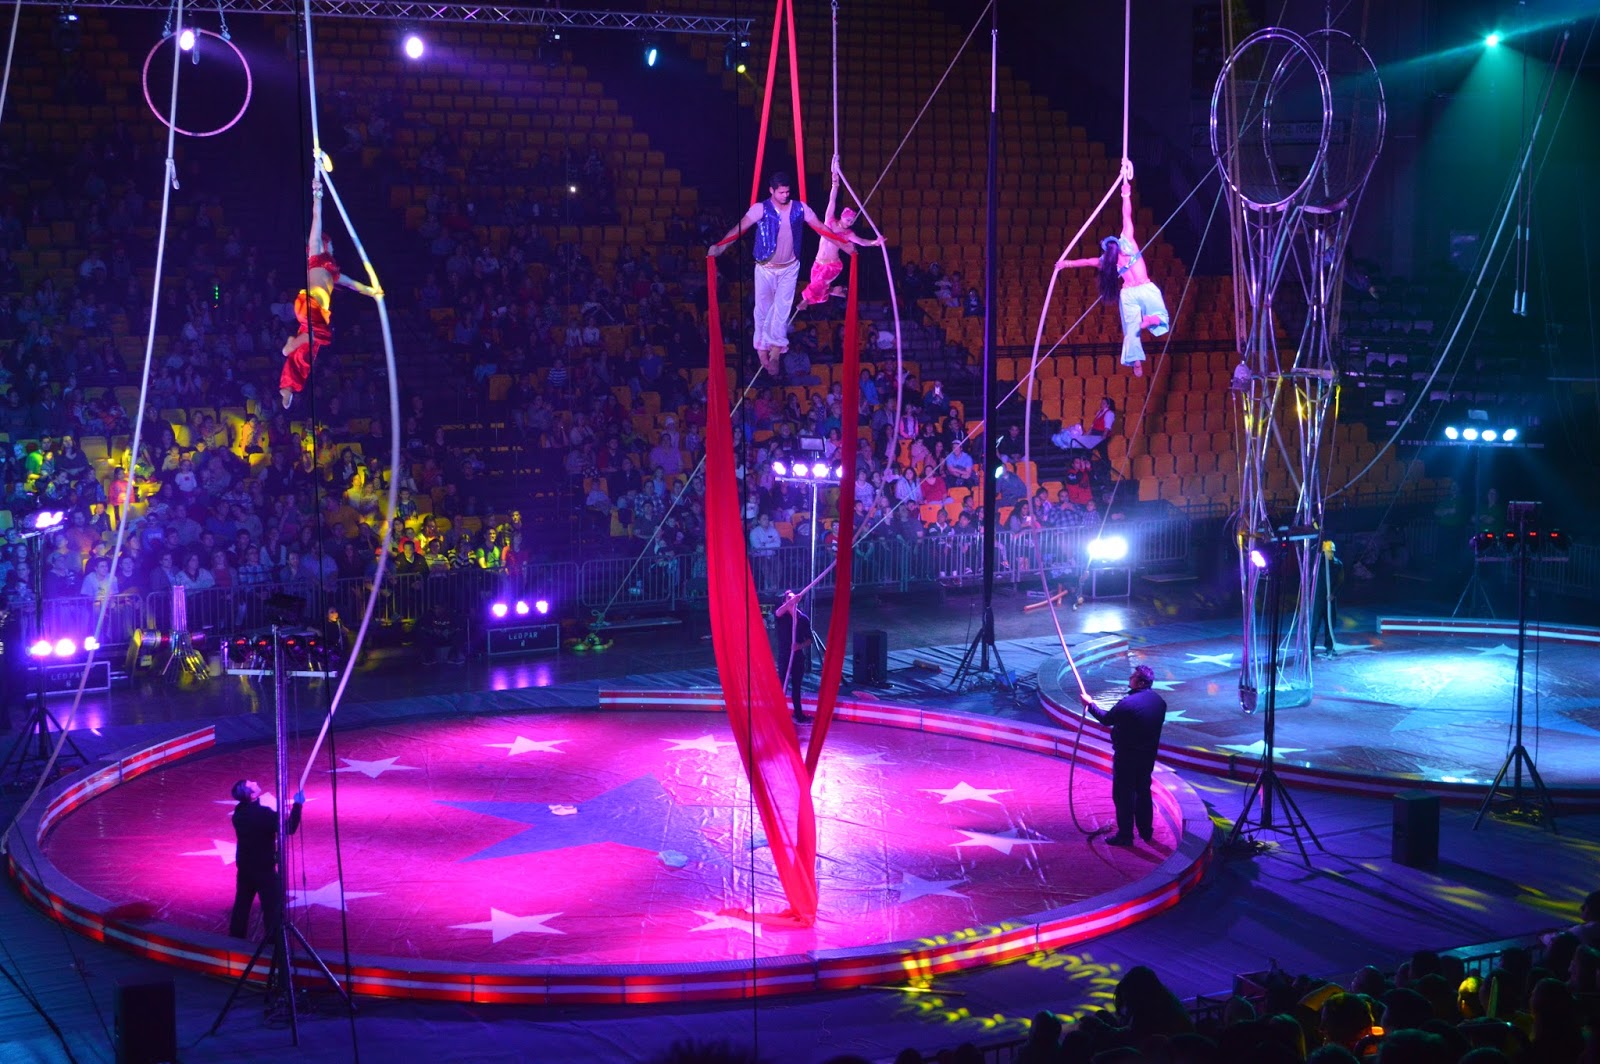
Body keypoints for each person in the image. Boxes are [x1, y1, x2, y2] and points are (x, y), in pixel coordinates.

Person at [279, 170, 381, 409]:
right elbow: (317, 218)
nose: (332, 244)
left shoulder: (334, 274)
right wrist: (317, 194)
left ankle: (287, 386)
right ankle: (292, 344)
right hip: (308, 306)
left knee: (310, 352)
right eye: (330, 242)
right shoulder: (315, 253)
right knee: (321, 336)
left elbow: (355, 286)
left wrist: (374, 293)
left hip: (314, 316)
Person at [1057, 159, 1169, 376]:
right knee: (1161, 317)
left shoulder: (1108, 262)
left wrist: (1066, 264)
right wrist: (1125, 194)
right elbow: (1127, 215)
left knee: (1131, 330)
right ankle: (1151, 320)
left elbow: (1088, 261)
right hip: (1144, 287)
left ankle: (1136, 361)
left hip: (1128, 293)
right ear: (1116, 243)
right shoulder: (1127, 242)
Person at [708, 171, 818, 375]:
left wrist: (843, 244)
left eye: (787, 192)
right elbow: (739, 228)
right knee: (763, 310)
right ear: (771, 191)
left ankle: (775, 354)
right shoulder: (760, 209)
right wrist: (721, 246)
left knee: (781, 311)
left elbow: (821, 228)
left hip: (790, 268)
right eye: (782, 192)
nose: (786, 195)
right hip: (765, 268)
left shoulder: (800, 208)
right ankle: (762, 352)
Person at [1080, 664, 1167, 845]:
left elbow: (1106, 719)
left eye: (1133, 677)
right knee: (1143, 792)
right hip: (1147, 756)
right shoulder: (1159, 702)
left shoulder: (1128, 703)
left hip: (1127, 756)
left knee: (1124, 795)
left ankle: (1125, 835)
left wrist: (1090, 704)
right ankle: (1146, 831)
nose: (1130, 679)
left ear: (1141, 682)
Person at [798, 159, 884, 308]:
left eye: (852, 221)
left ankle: (804, 301)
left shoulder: (848, 233)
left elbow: (861, 241)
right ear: (842, 216)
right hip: (818, 263)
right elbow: (832, 200)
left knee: (818, 284)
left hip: (833, 265)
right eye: (848, 219)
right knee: (819, 287)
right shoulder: (829, 221)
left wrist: (874, 242)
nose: (849, 222)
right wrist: (835, 183)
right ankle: (833, 291)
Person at [229, 779, 304, 941]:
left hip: (245, 867)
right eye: (251, 784)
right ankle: (273, 942)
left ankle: (234, 939)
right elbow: (290, 827)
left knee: (242, 904)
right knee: (272, 906)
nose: (255, 782)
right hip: (263, 868)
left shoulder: (239, 812)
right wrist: (297, 806)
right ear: (252, 794)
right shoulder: (263, 815)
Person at [774, 590, 813, 723]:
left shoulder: (803, 619)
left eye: (793, 598)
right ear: (785, 601)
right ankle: (778, 714)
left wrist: (799, 646)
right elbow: (778, 612)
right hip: (784, 657)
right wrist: (791, 601)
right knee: (781, 686)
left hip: (797, 658)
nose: (792, 601)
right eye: (788, 599)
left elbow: (809, 639)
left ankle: (798, 714)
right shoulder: (782, 616)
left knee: (796, 687)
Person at [1312, 539, 1344, 656]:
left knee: (1331, 623)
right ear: (1323, 552)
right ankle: (1310, 647)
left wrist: (1333, 594)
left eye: (1332, 552)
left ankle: (1329, 647)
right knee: (1314, 624)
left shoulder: (1338, 564)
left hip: (1330, 599)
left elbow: (1340, 581)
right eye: (1328, 552)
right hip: (1318, 599)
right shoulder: (1317, 563)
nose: (1331, 554)